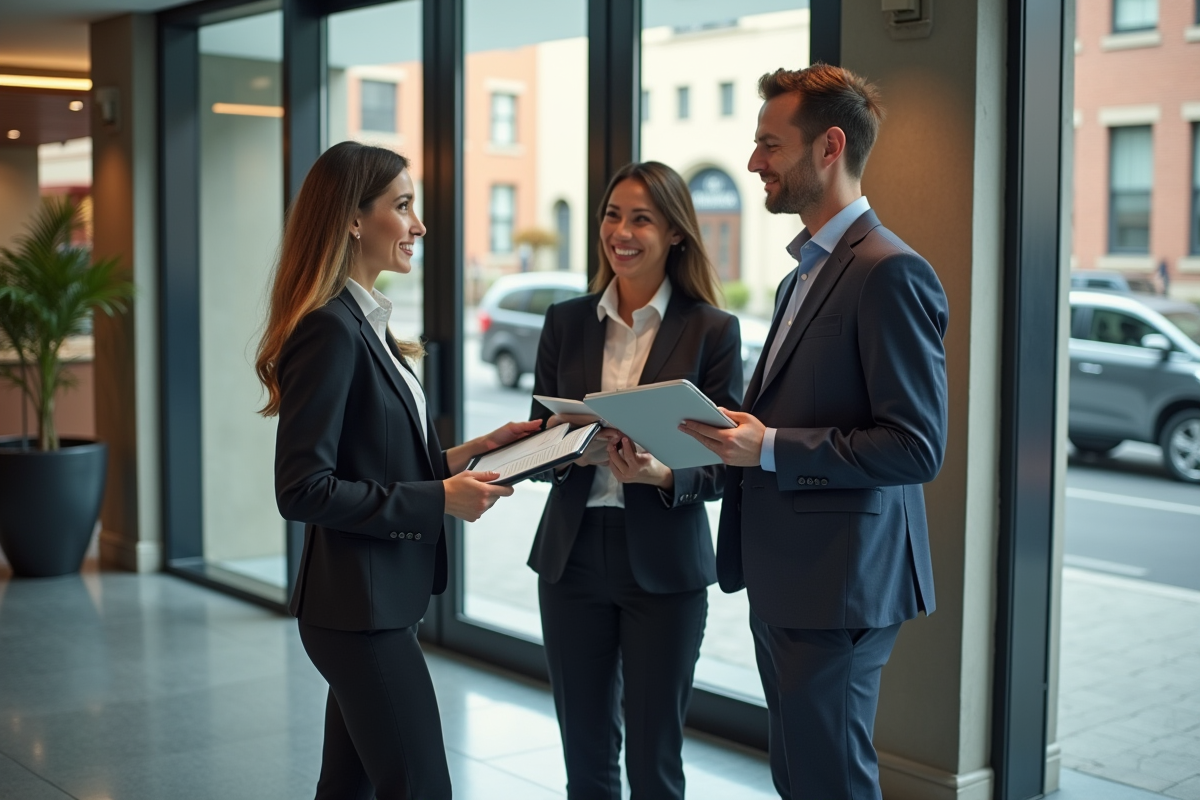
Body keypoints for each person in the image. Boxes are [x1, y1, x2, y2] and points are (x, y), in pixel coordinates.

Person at [680, 65, 949, 800]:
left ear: (829, 147)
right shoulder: (799, 276)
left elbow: (915, 447)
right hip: (791, 580)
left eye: (769, 143)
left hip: (840, 585)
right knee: (799, 776)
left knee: (829, 780)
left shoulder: (890, 272)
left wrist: (765, 446)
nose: (753, 162)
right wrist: (740, 435)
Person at [255, 141, 541, 800]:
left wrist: (463, 455)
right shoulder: (329, 329)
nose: (418, 225)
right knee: (419, 788)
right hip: (358, 612)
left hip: (373, 603)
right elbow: (302, 489)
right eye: (402, 206)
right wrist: (438, 497)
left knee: (347, 788)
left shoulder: (367, 322)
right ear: (353, 220)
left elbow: (370, 464)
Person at [528, 161, 743, 800]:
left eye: (641, 218)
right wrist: (566, 451)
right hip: (571, 558)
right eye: (612, 215)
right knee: (586, 757)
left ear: (676, 232)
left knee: (655, 762)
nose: (621, 231)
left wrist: (657, 473)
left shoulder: (712, 330)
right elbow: (535, 444)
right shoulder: (564, 321)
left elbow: (727, 460)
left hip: (664, 566)